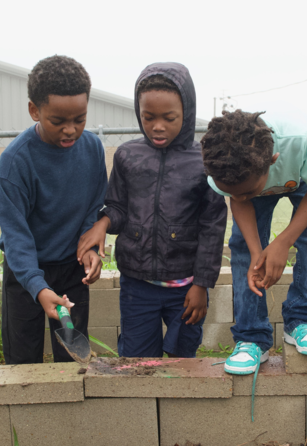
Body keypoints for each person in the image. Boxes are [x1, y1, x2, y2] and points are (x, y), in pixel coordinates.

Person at [77, 63, 227, 358]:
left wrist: (201, 285)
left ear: (186, 113)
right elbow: (119, 207)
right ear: (138, 112)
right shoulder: (127, 156)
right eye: (148, 117)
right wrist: (103, 223)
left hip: (185, 289)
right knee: (137, 361)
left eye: (169, 118)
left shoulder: (203, 162)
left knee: (183, 357)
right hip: (138, 286)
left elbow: (212, 227)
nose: (158, 126)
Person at [201, 111, 307, 377]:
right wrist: (256, 253)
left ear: (273, 162)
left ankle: (303, 320)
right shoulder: (221, 164)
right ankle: (251, 336)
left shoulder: (299, 143)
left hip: (304, 175)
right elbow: (239, 199)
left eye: (247, 191)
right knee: (242, 247)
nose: (239, 196)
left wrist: (283, 242)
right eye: (230, 191)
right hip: (251, 176)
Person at [0, 55, 107, 364]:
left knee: (73, 356)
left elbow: (93, 205)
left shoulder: (93, 149)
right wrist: (37, 286)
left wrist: (90, 247)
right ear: (34, 110)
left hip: (72, 271)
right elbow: (16, 235)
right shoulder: (16, 161)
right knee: (23, 359)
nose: (70, 130)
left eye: (80, 119)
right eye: (58, 121)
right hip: (25, 273)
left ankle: (71, 414)